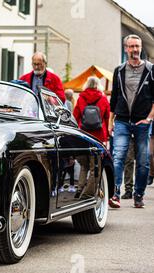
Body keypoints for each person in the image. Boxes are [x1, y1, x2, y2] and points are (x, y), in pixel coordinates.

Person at [108, 34, 154, 209]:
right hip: (121, 121)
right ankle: (115, 194)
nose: (135, 50)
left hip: (143, 122)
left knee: (143, 160)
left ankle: (139, 195)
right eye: (131, 46)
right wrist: (111, 121)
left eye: (137, 46)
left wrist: (149, 118)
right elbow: (114, 97)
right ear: (126, 48)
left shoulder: (151, 69)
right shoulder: (119, 70)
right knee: (118, 156)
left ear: (141, 48)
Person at [73, 76, 110, 144]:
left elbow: (75, 116)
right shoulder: (103, 98)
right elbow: (107, 117)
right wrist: (107, 133)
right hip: (99, 132)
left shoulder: (81, 98)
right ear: (98, 85)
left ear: (87, 84)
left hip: (84, 131)